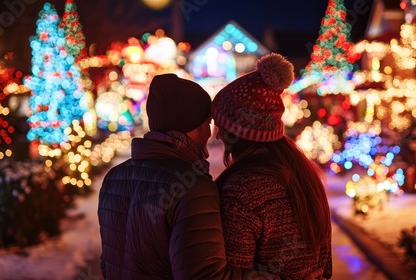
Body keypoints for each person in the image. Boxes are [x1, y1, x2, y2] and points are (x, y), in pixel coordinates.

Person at [98, 73, 283, 279]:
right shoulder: (192, 187)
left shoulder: (114, 178)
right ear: (194, 126)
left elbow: (109, 263)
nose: (212, 134)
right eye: (208, 123)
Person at [211, 53, 333, 279]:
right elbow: (325, 267)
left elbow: (231, 272)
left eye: (221, 125)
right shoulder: (304, 174)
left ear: (238, 131)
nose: (217, 135)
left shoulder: (243, 191)